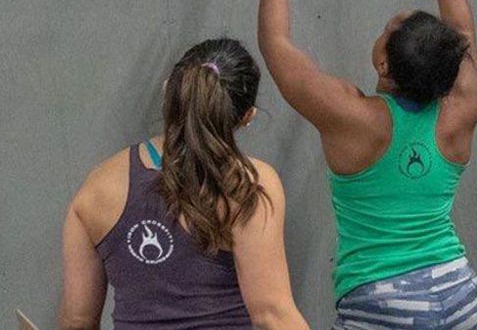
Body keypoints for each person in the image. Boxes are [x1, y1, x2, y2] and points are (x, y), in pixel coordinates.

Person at [257, 0, 477, 329]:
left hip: (385, 303)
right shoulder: (461, 108)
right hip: (460, 294)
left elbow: (276, 44)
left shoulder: (354, 119)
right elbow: (462, 32)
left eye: (387, 29)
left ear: (383, 63)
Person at [59, 40, 308, 330]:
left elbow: (77, 321)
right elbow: (272, 314)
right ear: (247, 117)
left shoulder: (99, 187)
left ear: (168, 91)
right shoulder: (247, 184)